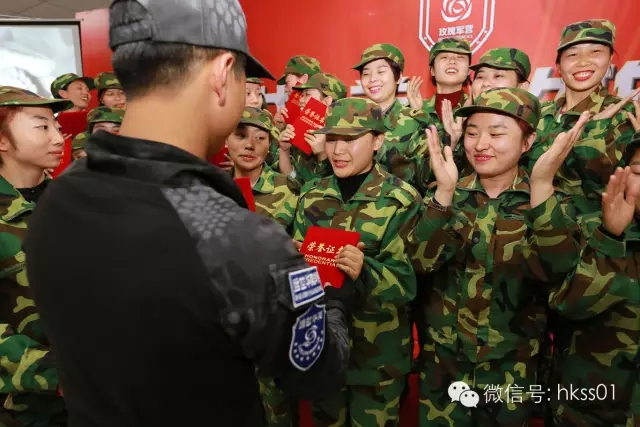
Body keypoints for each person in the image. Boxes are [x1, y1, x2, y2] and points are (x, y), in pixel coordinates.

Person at [22, 1, 363, 427]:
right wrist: (335, 301)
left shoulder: (56, 200)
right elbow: (318, 373)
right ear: (222, 73)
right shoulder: (237, 240)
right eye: (243, 76)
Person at [409, 87, 589, 427]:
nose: (481, 145)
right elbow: (418, 262)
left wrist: (541, 187)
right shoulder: (446, 194)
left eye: (496, 134)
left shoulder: (552, 203)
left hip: (512, 367)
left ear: (528, 141)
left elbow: (556, 271)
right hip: (445, 366)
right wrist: (444, 195)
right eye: (472, 133)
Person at [292, 97, 423, 426]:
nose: (338, 150)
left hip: (377, 359)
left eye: (350, 140)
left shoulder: (400, 200)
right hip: (324, 351)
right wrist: (291, 261)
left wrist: (365, 269)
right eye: (332, 139)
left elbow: (407, 284)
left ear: (377, 141)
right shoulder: (312, 194)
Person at [541, 132, 640, 427]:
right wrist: (610, 237)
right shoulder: (589, 229)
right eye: (638, 172)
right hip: (588, 413)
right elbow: (567, 306)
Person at [0, 85, 72, 426]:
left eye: (56, 126)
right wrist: (54, 374)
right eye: (42, 126)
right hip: (22, 409)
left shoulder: (74, 202)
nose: (58, 138)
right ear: (2, 140)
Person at [528, 19, 638, 214]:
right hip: (535, 226)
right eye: (572, 54)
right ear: (558, 65)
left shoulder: (628, 114)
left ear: (610, 59)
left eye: (595, 52)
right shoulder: (538, 114)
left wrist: (594, 132)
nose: (583, 62)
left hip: (599, 231)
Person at [277, 72, 347, 184]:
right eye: (302, 95)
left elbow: (338, 187)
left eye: (307, 95)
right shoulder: (303, 132)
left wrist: (322, 154)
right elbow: (294, 181)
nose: (301, 100)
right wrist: (284, 151)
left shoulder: (344, 138)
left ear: (327, 101)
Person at [272, 55, 322, 130]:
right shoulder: (293, 113)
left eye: (287, 82)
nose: (285, 89)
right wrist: (280, 128)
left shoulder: (329, 115)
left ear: (303, 79)